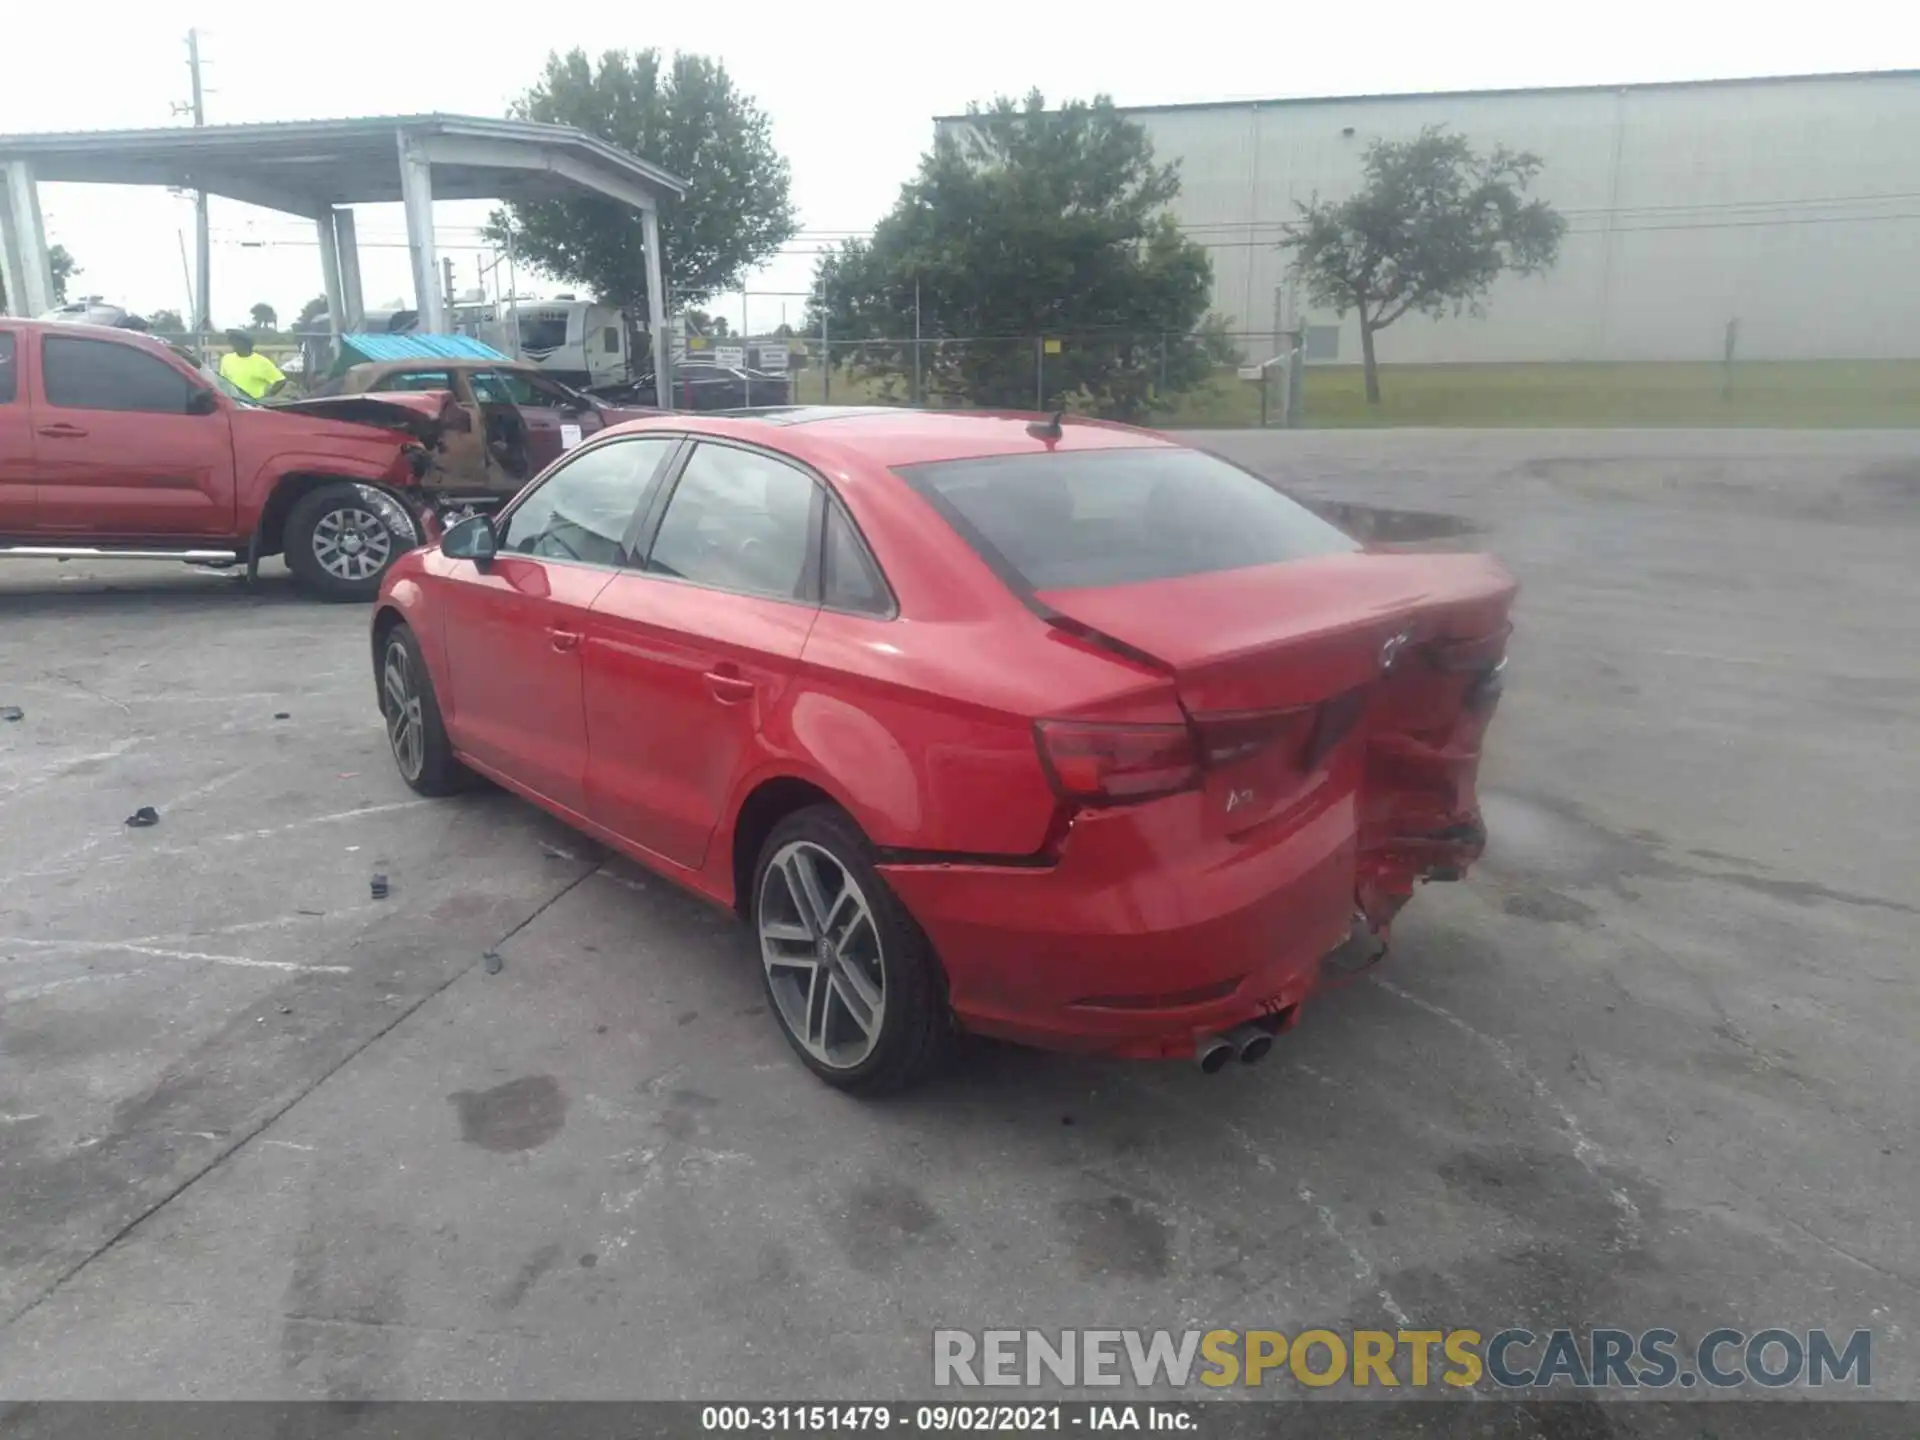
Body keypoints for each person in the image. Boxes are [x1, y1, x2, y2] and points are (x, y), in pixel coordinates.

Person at [218, 330, 286, 399]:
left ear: (246, 344)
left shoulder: (261, 362)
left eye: (237, 343)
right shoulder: (226, 359)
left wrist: (266, 397)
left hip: (252, 404)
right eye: (232, 343)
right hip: (234, 403)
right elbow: (223, 381)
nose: (234, 345)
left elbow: (280, 381)